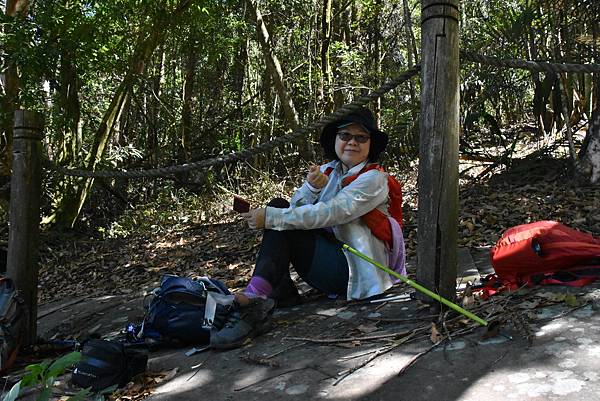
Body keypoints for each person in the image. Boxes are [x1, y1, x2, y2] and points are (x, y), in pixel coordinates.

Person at [210, 107, 405, 349]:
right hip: (327, 261)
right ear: (335, 139)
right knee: (279, 207)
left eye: (361, 137)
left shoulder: (374, 179)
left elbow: (333, 212)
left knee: (278, 214)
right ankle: (279, 293)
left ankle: (254, 302)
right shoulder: (327, 171)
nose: (352, 143)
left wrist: (269, 217)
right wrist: (312, 188)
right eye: (345, 136)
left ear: (370, 144)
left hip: (353, 271)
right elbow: (294, 209)